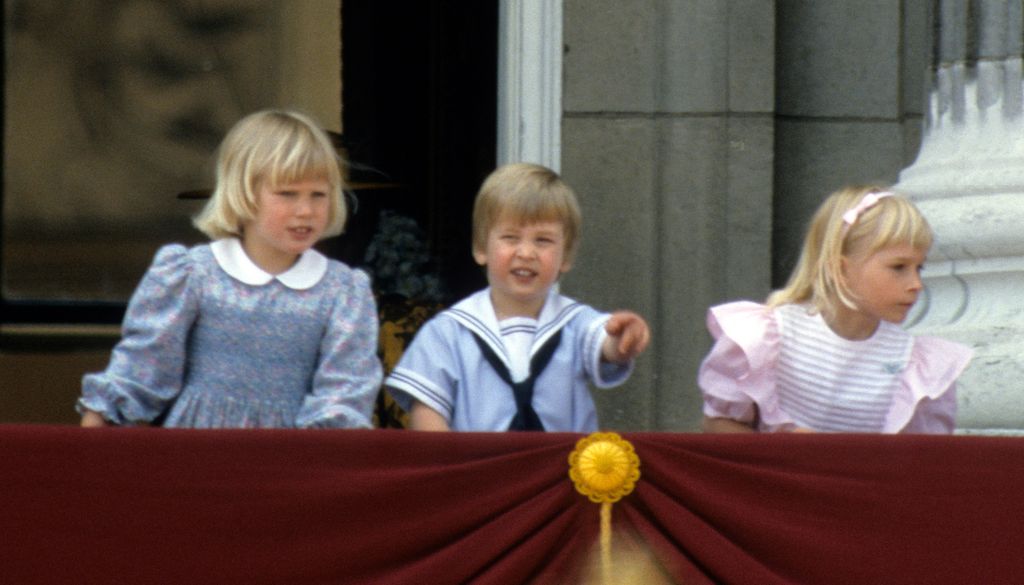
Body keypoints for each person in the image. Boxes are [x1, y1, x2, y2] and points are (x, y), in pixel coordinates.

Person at [77, 109, 382, 428]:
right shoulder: (192, 275)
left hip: (292, 463)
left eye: (318, 195)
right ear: (244, 193)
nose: (305, 210)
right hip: (196, 457)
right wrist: (98, 419)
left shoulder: (342, 291)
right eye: (288, 194)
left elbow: (344, 391)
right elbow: (142, 370)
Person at [385, 163, 650, 432]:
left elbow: (604, 342)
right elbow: (428, 414)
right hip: (481, 471)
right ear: (480, 248)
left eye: (543, 241)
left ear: (566, 256)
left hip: (562, 471)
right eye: (511, 238)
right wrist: (447, 469)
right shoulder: (449, 332)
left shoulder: (575, 323)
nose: (526, 252)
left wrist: (621, 340)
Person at [699, 185, 972, 433]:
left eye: (919, 268)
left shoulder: (914, 365)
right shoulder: (768, 336)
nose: (916, 284)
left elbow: (921, 460)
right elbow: (718, 424)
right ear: (841, 268)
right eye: (898, 267)